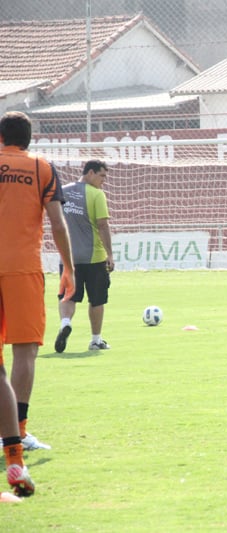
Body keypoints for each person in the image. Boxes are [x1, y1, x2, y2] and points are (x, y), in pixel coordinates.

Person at [0, 111, 75, 495]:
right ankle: (18, 435)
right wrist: (68, 269)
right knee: (25, 353)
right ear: (28, 139)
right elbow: (58, 224)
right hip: (22, 270)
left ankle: (10, 437)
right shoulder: (41, 167)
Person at [54, 160, 115, 353]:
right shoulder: (96, 194)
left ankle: (65, 323)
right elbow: (103, 225)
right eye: (102, 176)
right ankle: (96, 340)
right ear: (90, 173)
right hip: (94, 256)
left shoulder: (62, 191)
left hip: (68, 257)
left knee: (68, 296)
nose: (104, 181)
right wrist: (110, 254)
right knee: (97, 299)